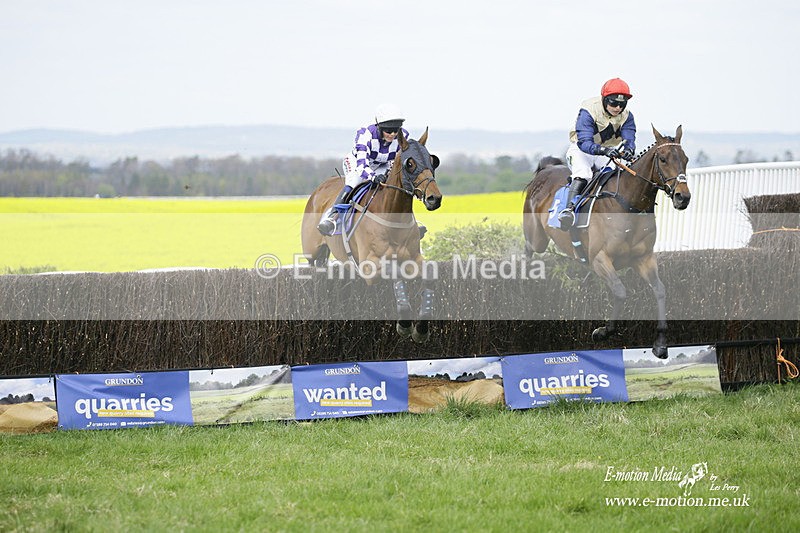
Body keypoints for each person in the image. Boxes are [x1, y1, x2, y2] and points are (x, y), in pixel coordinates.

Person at [317, 103, 409, 235]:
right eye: (388, 131)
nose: (393, 134)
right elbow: (362, 166)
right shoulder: (365, 134)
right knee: (354, 182)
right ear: (380, 127)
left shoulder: (403, 136)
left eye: (396, 130)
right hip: (357, 163)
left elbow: (397, 162)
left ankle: (408, 221)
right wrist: (373, 177)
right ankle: (332, 217)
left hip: (382, 164)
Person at [557, 78, 637, 229]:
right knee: (584, 174)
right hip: (582, 150)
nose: (618, 108)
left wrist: (628, 150)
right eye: (614, 103)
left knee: (615, 177)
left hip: (606, 153)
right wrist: (604, 150)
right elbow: (584, 142)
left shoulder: (627, 116)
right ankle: (568, 211)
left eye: (622, 104)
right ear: (605, 99)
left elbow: (629, 139)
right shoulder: (588, 109)